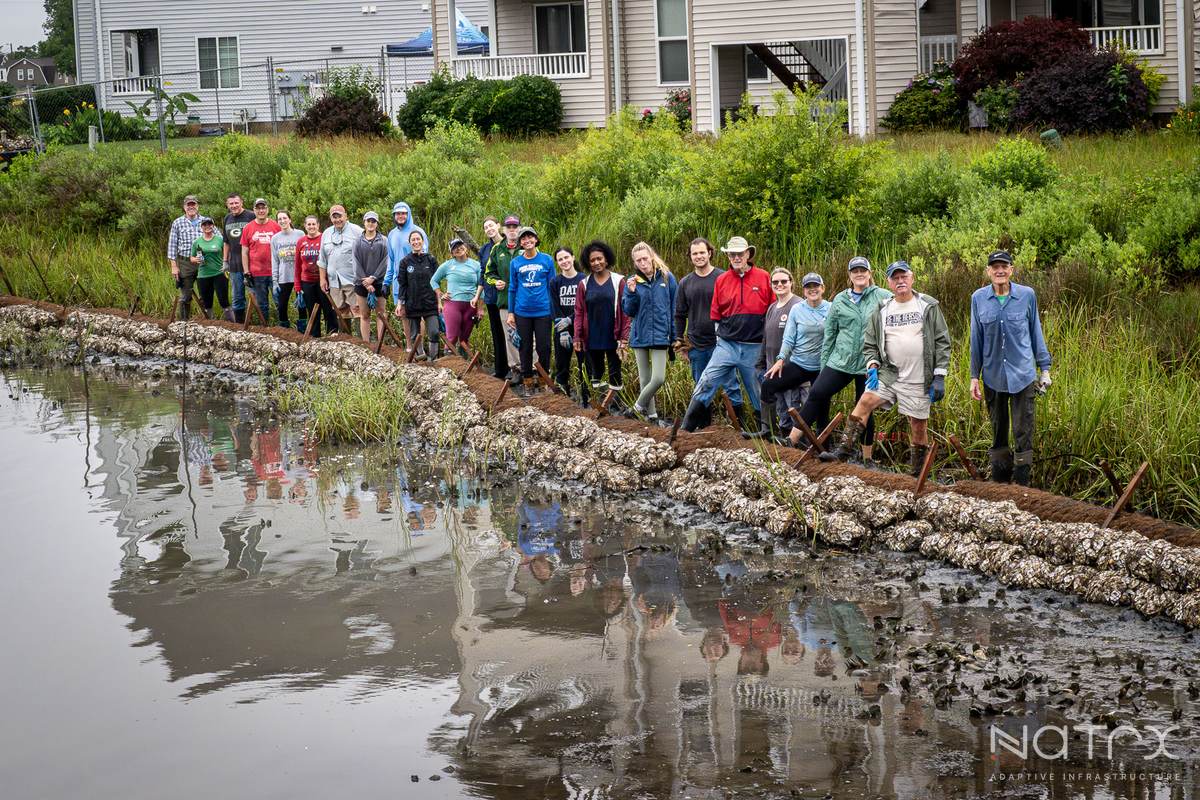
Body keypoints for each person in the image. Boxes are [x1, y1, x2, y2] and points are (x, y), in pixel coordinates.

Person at [820, 261, 952, 476]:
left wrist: (940, 376)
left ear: (912, 278)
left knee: (918, 425)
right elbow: (870, 343)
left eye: (904, 277)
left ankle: (917, 474)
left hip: (919, 377)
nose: (900, 281)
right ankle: (843, 452)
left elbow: (942, 341)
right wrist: (872, 364)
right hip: (890, 374)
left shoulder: (927, 305)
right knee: (865, 401)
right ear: (889, 283)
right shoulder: (882, 308)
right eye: (895, 278)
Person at [969, 250, 1052, 486]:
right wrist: (974, 376)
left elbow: (1036, 332)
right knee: (998, 430)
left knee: (1023, 431)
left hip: (1023, 375)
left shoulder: (1027, 296)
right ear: (988, 271)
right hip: (993, 376)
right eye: (994, 267)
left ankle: (1022, 487)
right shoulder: (978, 298)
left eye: (1004, 266)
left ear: (1011, 269)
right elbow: (976, 340)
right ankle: (1000, 486)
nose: (999, 271)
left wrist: (1044, 369)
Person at [796, 256, 892, 461]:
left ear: (869, 273)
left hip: (868, 363)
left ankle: (866, 459)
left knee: (865, 409)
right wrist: (823, 367)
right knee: (817, 393)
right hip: (841, 361)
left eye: (863, 270)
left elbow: (902, 306)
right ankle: (791, 440)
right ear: (849, 275)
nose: (859, 274)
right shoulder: (840, 300)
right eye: (855, 271)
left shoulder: (882, 296)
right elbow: (830, 335)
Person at [680, 236, 772, 432]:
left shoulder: (764, 277)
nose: (736, 257)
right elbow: (716, 315)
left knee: (758, 390)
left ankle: (766, 433)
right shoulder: (722, 280)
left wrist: (768, 347)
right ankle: (685, 430)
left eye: (740, 253)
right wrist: (720, 341)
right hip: (726, 345)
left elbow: (772, 312)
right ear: (728, 256)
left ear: (748, 254)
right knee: (706, 380)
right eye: (732, 254)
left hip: (754, 347)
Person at [755, 272, 830, 443]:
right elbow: (788, 338)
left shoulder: (831, 308)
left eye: (816, 286)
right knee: (768, 384)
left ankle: (823, 444)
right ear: (804, 290)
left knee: (821, 400)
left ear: (822, 288)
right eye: (808, 287)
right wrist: (780, 360)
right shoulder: (797, 309)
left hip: (822, 366)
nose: (813, 290)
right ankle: (768, 432)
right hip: (800, 364)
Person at [673, 237, 735, 430]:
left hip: (722, 344)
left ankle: (737, 426)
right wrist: (680, 342)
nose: (699, 256)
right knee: (702, 387)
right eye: (695, 253)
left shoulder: (723, 277)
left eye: (702, 252)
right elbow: (679, 315)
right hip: (696, 345)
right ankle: (705, 427)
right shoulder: (685, 283)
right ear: (690, 257)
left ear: (709, 253)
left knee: (730, 386)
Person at [622, 242, 677, 423]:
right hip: (640, 335)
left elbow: (674, 309)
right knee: (645, 380)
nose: (643, 262)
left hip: (661, 334)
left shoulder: (667, 278)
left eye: (645, 258)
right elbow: (629, 311)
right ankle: (652, 417)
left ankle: (637, 408)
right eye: (638, 260)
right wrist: (631, 293)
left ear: (652, 257)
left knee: (658, 378)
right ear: (634, 263)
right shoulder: (632, 282)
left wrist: (675, 336)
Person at [745, 267, 803, 439]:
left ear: (791, 282)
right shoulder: (772, 307)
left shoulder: (798, 305)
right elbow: (766, 337)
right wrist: (760, 363)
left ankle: (795, 443)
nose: (780, 285)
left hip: (790, 368)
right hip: (771, 367)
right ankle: (777, 439)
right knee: (780, 409)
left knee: (793, 407)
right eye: (775, 282)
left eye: (784, 281)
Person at [574, 240, 629, 400]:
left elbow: (625, 311)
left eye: (599, 258)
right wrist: (577, 336)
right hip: (592, 335)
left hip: (613, 334)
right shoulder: (584, 284)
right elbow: (579, 311)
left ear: (606, 259)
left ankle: (616, 404)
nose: (597, 263)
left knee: (614, 372)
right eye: (592, 260)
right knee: (595, 373)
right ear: (588, 263)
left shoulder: (619, 281)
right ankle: (600, 402)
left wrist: (624, 337)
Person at [506, 226, 556, 394]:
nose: (527, 241)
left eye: (530, 237)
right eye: (523, 238)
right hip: (522, 312)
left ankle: (543, 380)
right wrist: (511, 312)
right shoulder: (516, 263)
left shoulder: (547, 260)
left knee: (544, 347)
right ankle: (527, 382)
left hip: (543, 311)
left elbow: (552, 287)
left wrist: (554, 310)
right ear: (520, 243)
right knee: (524, 347)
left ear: (536, 240)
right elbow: (512, 288)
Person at [484, 215, 524, 384]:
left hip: (527, 301)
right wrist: (496, 282)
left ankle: (534, 371)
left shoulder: (527, 245)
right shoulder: (497, 249)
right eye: (509, 227)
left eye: (515, 226)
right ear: (504, 230)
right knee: (510, 336)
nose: (512, 229)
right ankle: (516, 370)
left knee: (531, 337)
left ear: (520, 229)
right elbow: (488, 273)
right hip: (505, 300)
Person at [472, 216, 510, 379]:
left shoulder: (508, 245)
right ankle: (501, 370)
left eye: (491, 225)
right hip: (490, 296)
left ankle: (514, 368)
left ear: (498, 226)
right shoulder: (484, 250)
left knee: (509, 334)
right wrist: (477, 295)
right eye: (486, 227)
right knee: (497, 334)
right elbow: (483, 273)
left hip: (507, 297)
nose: (489, 229)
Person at [394, 229, 440, 360]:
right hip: (412, 303)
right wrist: (399, 303)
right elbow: (402, 284)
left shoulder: (431, 260)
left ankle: (434, 359)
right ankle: (422, 358)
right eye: (413, 240)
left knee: (434, 332)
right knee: (415, 335)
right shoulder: (405, 262)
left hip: (430, 303)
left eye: (418, 239)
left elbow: (437, 282)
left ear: (422, 241)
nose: (416, 242)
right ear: (409, 243)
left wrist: (440, 300)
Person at [431, 237, 482, 356]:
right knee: (452, 336)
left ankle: (463, 365)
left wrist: (480, 308)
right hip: (453, 304)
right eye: (455, 248)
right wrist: (441, 294)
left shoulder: (476, 265)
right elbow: (433, 281)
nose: (458, 249)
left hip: (471, 305)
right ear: (452, 252)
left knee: (464, 338)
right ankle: (448, 364)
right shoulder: (447, 265)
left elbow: (481, 285)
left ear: (466, 247)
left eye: (460, 245)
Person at [549, 246, 587, 400]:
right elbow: (554, 305)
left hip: (581, 328)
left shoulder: (583, 279)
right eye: (560, 259)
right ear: (557, 263)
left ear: (573, 257)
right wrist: (563, 329)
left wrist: (570, 319)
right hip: (561, 328)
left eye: (566, 257)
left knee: (584, 363)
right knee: (562, 364)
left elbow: (585, 306)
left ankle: (586, 395)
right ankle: (563, 397)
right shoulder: (555, 281)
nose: (564, 261)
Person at [317, 204, 363, 329]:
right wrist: (322, 279)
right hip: (334, 281)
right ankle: (346, 341)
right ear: (331, 218)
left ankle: (361, 343)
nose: (337, 220)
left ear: (346, 216)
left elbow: (366, 252)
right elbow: (322, 259)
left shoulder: (357, 231)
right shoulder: (326, 233)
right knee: (341, 310)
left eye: (340, 216)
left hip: (352, 279)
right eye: (334, 217)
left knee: (357, 309)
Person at [239, 198, 281, 324]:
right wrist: (246, 272)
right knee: (262, 304)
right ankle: (265, 327)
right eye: (258, 208)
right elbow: (244, 252)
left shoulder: (276, 226)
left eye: (263, 208)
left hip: (275, 272)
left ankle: (283, 327)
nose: (261, 210)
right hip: (257, 273)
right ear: (254, 210)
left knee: (279, 301)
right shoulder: (248, 228)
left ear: (267, 209)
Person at [294, 215, 336, 337]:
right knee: (312, 311)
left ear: (318, 225)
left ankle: (332, 335)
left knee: (329, 310)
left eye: (314, 224)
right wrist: (297, 286)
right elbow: (297, 265)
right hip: (307, 282)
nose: (311, 226)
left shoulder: (325, 238)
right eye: (309, 224)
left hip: (324, 281)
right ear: (305, 226)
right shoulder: (301, 242)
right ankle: (315, 337)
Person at [353, 211, 389, 343]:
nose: (370, 223)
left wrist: (373, 278)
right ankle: (366, 343)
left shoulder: (384, 240)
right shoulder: (357, 241)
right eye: (368, 221)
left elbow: (386, 261)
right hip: (361, 282)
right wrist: (366, 282)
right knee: (365, 314)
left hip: (379, 282)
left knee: (380, 313)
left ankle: (381, 344)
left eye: (373, 221)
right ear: (364, 222)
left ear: (377, 223)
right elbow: (355, 262)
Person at [385, 201, 428, 306]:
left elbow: (424, 256)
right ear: (394, 215)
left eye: (403, 213)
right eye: (397, 213)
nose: (400, 216)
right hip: (398, 282)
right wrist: (386, 282)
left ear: (408, 214)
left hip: (416, 282)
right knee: (403, 314)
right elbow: (391, 260)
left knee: (419, 316)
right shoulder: (392, 234)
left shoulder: (418, 232)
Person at [167, 195, 202, 320]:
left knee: (206, 294)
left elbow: (218, 239)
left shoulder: (206, 221)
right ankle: (184, 323)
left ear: (197, 206)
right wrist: (174, 266)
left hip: (203, 262)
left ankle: (208, 322)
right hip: (185, 262)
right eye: (189, 205)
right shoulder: (178, 222)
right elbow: (172, 245)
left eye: (193, 204)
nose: (191, 207)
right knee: (186, 295)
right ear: (184, 207)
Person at [222, 194, 255, 323]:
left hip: (251, 265)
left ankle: (255, 324)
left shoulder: (251, 216)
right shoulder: (227, 218)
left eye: (236, 203)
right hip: (234, 265)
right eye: (231, 204)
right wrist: (225, 261)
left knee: (254, 295)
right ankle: (240, 326)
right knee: (237, 297)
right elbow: (226, 242)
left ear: (242, 202)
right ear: (227, 205)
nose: (234, 206)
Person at [188, 216, 229, 320]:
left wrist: (226, 265)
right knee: (207, 303)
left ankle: (232, 324)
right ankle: (211, 324)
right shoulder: (197, 242)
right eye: (204, 225)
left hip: (219, 274)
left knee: (224, 301)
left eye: (209, 224)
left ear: (213, 226)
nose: (207, 226)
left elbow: (227, 254)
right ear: (201, 227)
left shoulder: (220, 240)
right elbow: (191, 258)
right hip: (203, 275)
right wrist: (196, 259)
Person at [269, 210, 302, 330]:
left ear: (290, 219)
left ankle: (302, 330)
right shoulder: (275, 239)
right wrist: (275, 281)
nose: (282, 221)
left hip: (299, 276)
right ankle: (285, 331)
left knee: (302, 305)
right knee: (282, 305)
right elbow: (275, 260)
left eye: (284, 218)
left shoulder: (300, 234)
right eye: (280, 219)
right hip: (284, 277)